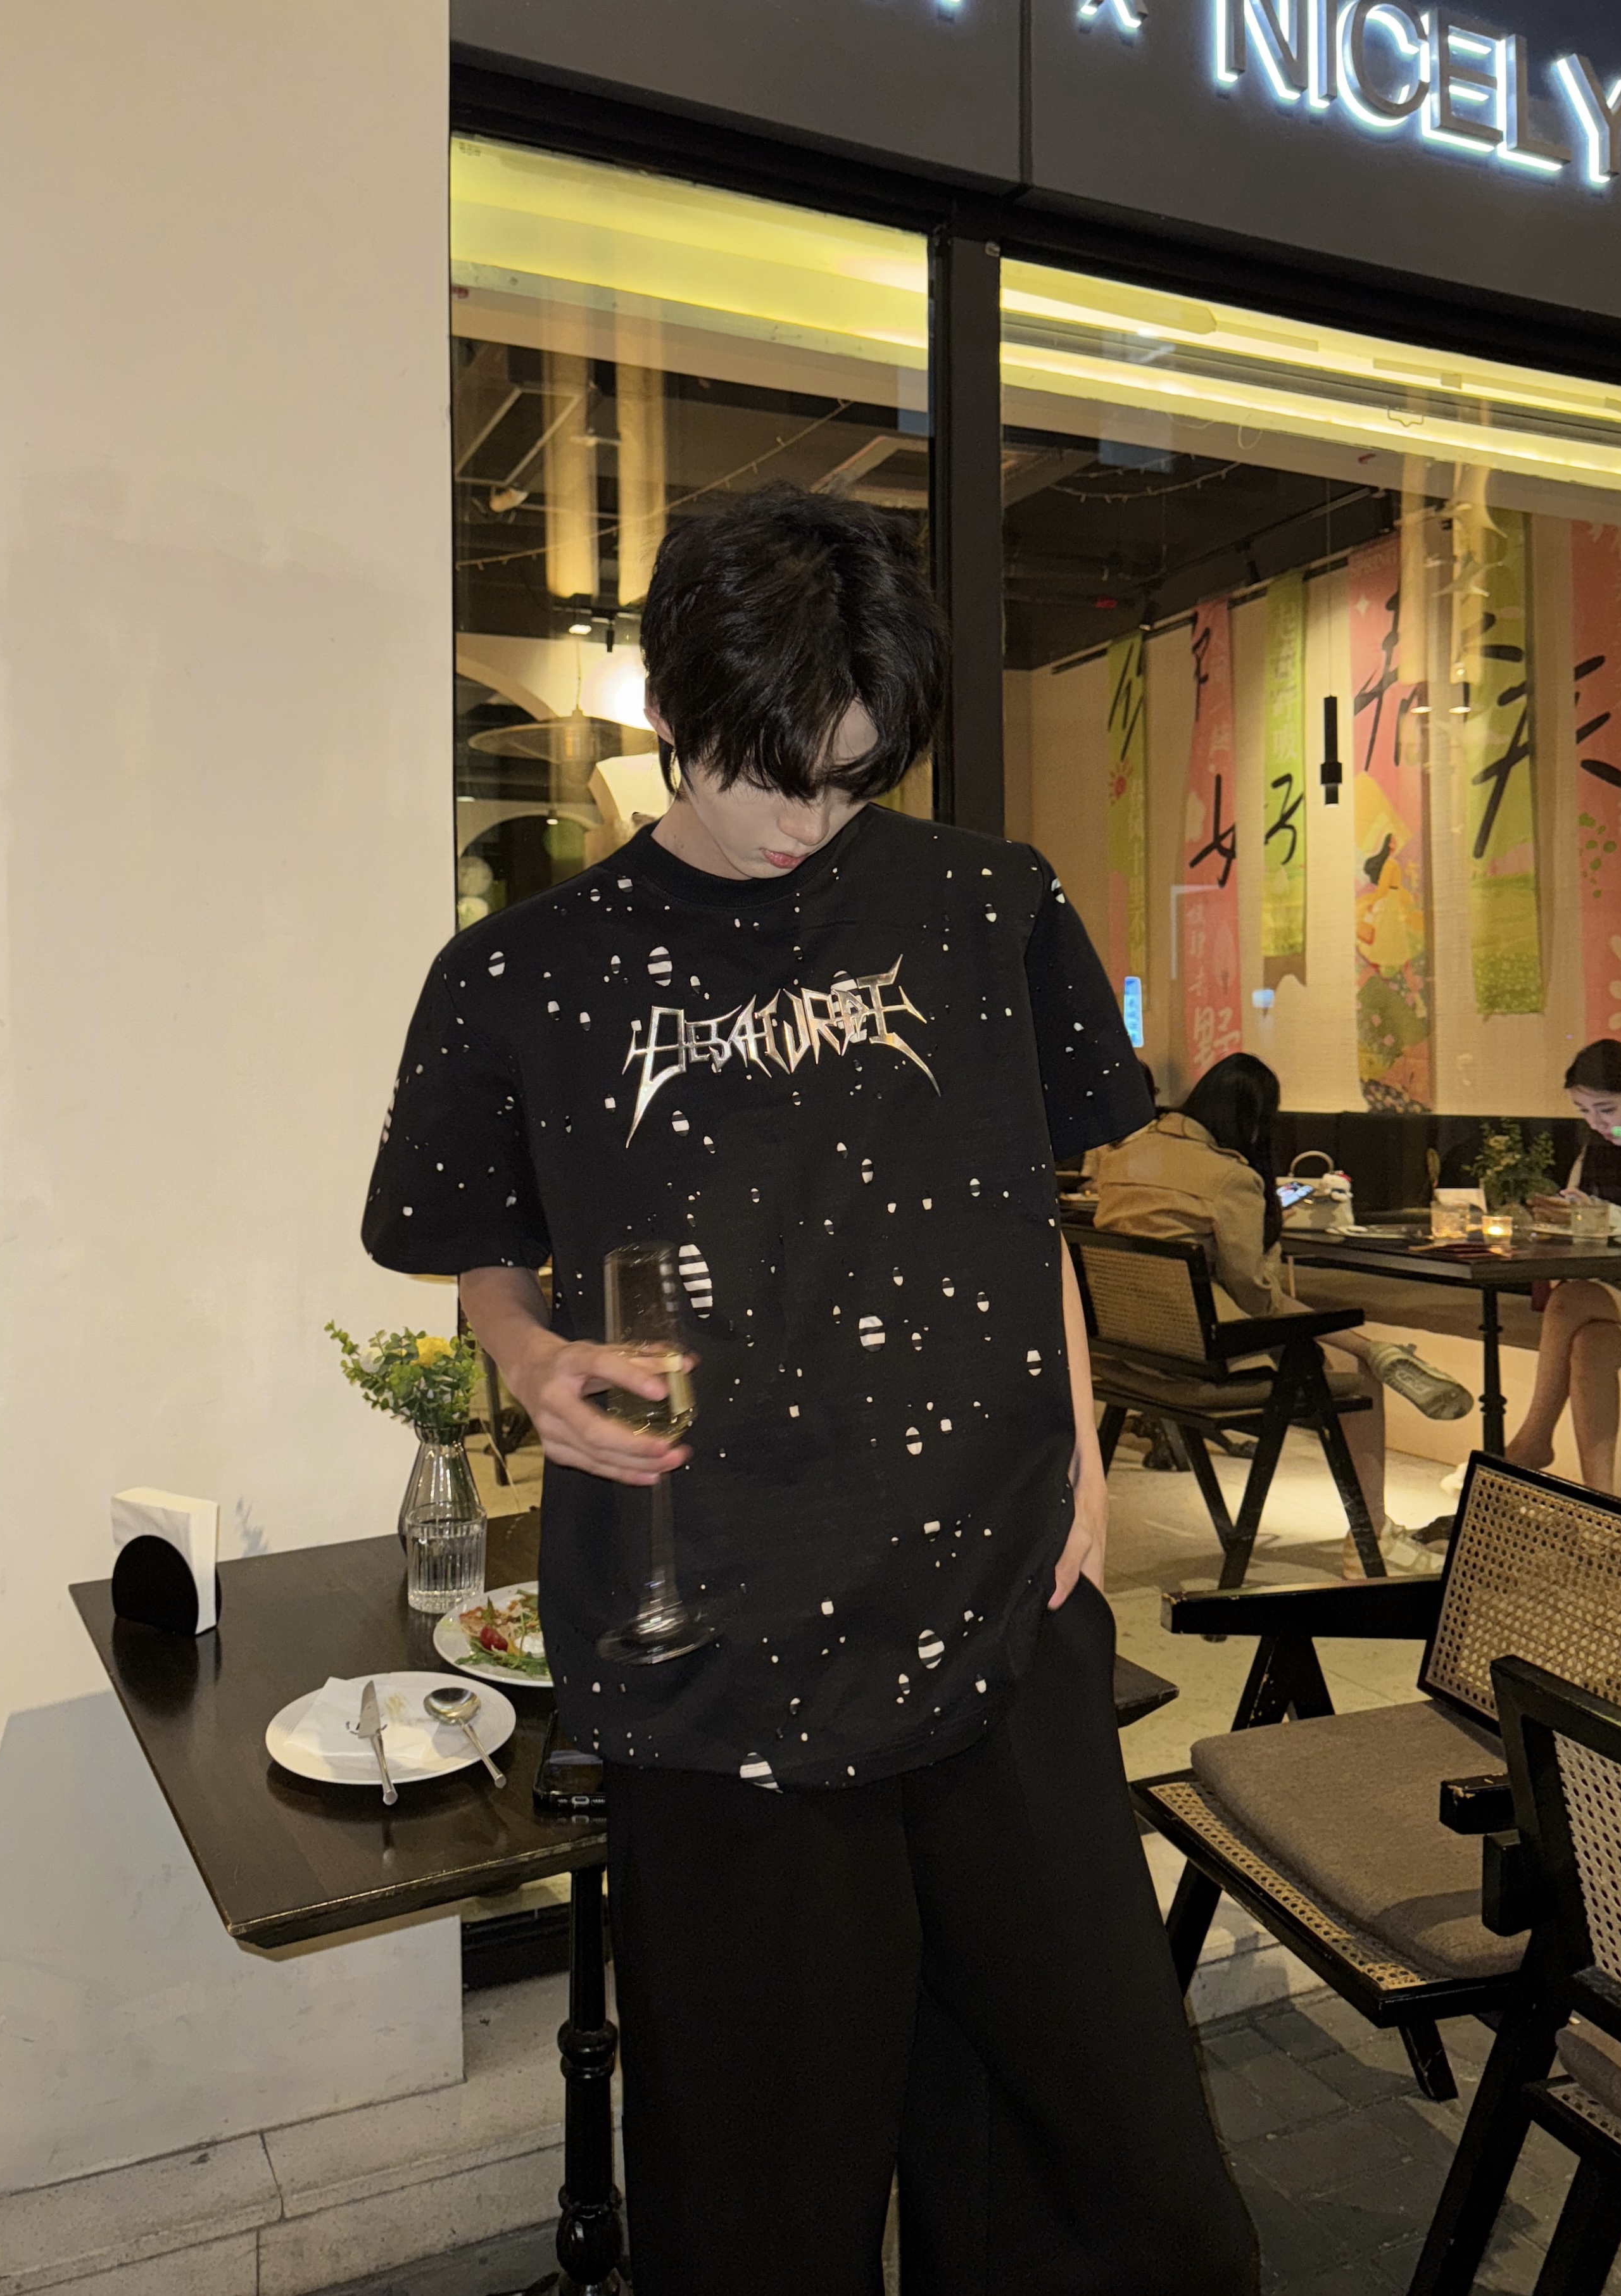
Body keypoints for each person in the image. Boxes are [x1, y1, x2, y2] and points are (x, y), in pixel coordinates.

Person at [362, 484, 1256, 2296]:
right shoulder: (519, 973)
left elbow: (1030, 1206)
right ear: (672, 709)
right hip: (710, 1645)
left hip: (1002, 1601)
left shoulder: (988, 905)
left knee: (1118, 2175)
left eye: (850, 780)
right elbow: (476, 1245)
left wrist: (1084, 1464)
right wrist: (530, 1362)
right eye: (768, 773)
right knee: (765, 2195)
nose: (805, 821)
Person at [1092, 1053, 1471, 1577]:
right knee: (1355, 1376)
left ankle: (1374, 1355)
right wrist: (1268, 1237)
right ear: (1253, 1120)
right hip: (1199, 1366)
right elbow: (1257, 1297)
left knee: (1321, 1348)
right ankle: (1373, 1535)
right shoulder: (1230, 1178)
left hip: (1129, 1352)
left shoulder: (1125, 1156)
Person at [1506, 1039, 1621, 1491]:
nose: (1597, 1123)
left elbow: (1620, 1225)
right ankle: (1600, 1502)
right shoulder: (1599, 1151)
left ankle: (1532, 1439)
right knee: (1591, 1345)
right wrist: (1564, 1221)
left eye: (1607, 1109)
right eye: (1584, 1111)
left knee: (1571, 1300)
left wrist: (1606, 1219)